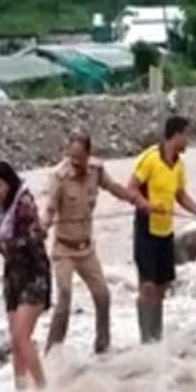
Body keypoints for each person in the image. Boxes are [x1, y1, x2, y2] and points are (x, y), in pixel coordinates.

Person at [41, 132, 149, 354]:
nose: (77, 164)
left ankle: (102, 347)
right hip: (64, 250)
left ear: (89, 155)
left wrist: (136, 200)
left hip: (86, 249)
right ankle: (52, 354)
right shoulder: (58, 177)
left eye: (81, 159)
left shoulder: (97, 170)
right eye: (73, 159)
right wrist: (43, 227)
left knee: (103, 295)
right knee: (64, 298)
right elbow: (50, 209)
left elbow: (113, 187)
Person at [128, 116, 196, 344]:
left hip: (166, 233)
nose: (188, 141)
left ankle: (156, 339)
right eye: (186, 135)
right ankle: (145, 340)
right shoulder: (150, 158)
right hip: (146, 231)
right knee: (147, 287)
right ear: (176, 135)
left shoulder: (179, 165)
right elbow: (131, 188)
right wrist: (146, 205)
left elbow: (181, 195)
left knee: (161, 287)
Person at [0, 161, 51, 389]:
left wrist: (0, 247)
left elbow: (31, 240)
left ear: (10, 183)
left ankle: (44, 391)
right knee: (15, 340)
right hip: (13, 276)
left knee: (22, 337)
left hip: (34, 275)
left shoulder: (24, 203)